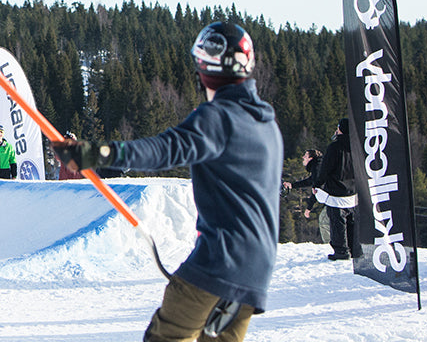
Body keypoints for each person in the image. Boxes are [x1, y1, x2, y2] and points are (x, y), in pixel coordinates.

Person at [52, 21, 283, 342]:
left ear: (205, 66)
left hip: (218, 262)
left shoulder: (217, 117)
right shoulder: (267, 123)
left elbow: (161, 150)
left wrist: (94, 155)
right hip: (256, 272)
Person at [313, 118, 360, 261]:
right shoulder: (357, 146)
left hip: (336, 192)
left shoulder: (335, 147)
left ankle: (341, 251)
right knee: (352, 222)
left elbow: (326, 168)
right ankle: (354, 249)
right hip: (352, 191)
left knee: (337, 223)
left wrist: (318, 184)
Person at [284, 149, 329, 245]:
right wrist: (292, 185)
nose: (303, 157)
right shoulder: (318, 166)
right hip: (335, 198)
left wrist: (309, 207)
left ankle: (331, 247)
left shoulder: (317, 168)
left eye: (305, 155)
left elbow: (316, 188)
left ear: (311, 158)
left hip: (334, 199)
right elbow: (310, 181)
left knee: (324, 221)